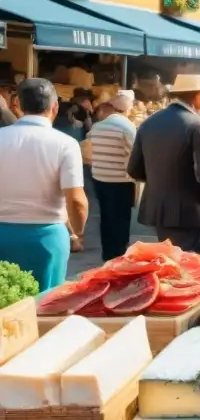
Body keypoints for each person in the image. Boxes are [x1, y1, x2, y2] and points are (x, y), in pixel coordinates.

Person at [0, 79, 88, 291]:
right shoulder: (66, 144)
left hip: (2, 233)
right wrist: (77, 232)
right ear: (55, 106)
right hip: (46, 238)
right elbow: (76, 200)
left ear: (18, 105)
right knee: (44, 307)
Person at [128, 74, 200, 257]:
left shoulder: (148, 123)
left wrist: (161, 179)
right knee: (197, 271)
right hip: (192, 213)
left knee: (171, 265)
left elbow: (133, 169)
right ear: (197, 96)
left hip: (160, 211)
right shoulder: (199, 126)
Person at [87, 90, 138, 261]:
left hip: (100, 179)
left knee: (106, 217)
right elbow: (135, 155)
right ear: (128, 107)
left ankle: (107, 254)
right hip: (120, 182)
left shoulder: (97, 126)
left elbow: (89, 147)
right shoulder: (127, 127)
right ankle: (119, 256)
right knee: (120, 220)